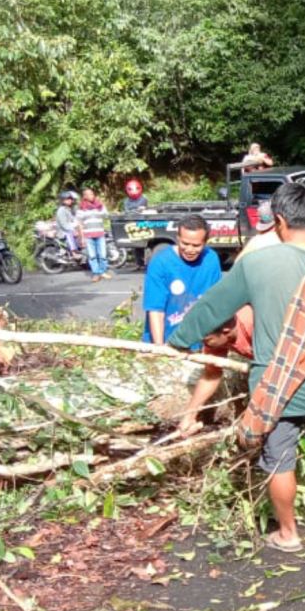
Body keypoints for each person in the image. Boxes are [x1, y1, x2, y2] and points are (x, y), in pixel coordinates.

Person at [168, 182, 305, 554]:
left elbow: (211, 308)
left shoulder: (255, 264)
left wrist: (179, 341)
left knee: (279, 459)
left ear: (279, 221)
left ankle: (288, 534)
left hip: (271, 385)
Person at [142, 215, 221, 344]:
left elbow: (215, 302)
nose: (189, 250)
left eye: (196, 245)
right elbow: (156, 310)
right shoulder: (160, 262)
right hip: (166, 340)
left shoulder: (211, 259)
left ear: (205, 242)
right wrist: (159, 348)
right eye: (185, 243)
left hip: (198, 343)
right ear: (178, 238)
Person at [178, 307, 254, 437]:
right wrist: (189, 416)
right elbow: (211, 374)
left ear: (226, 331)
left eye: (206, 340)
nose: (204, 343)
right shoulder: (216, 336)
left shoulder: (253, 326)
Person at [76, 188, 110, 282]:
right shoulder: (81, 208)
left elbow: (106, 216)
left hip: (100, 234)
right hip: (88, 235)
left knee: (103, 255)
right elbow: (79, 223)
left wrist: (102, 206)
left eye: (92, 194)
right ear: (85, 197)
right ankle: (96, 273)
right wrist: (81, 237)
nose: (91, 196)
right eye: (89, 194)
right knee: (92, 256)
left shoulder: (99, 206)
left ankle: (103, 271)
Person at [123, 180, 149, 268]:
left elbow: (143, 209)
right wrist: (136, 210)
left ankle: (145, 262)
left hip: (142, 223)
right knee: (135, 245)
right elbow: (127, 211)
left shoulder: (143, 198)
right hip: (132, 223)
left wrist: (135, 210)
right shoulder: (126, 201)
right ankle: (138, 263)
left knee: (144, 244)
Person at [55, 191, 82, 259]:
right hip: (63, 231)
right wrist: (74, 229)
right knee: (69, 233)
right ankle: (74, 252)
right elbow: (64, 225)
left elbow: (74, 219)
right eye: (67, 199)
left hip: (70, 228)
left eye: (70, 199)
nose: (70, 200)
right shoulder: (61, 210)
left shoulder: (68, 209)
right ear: (63, 200)